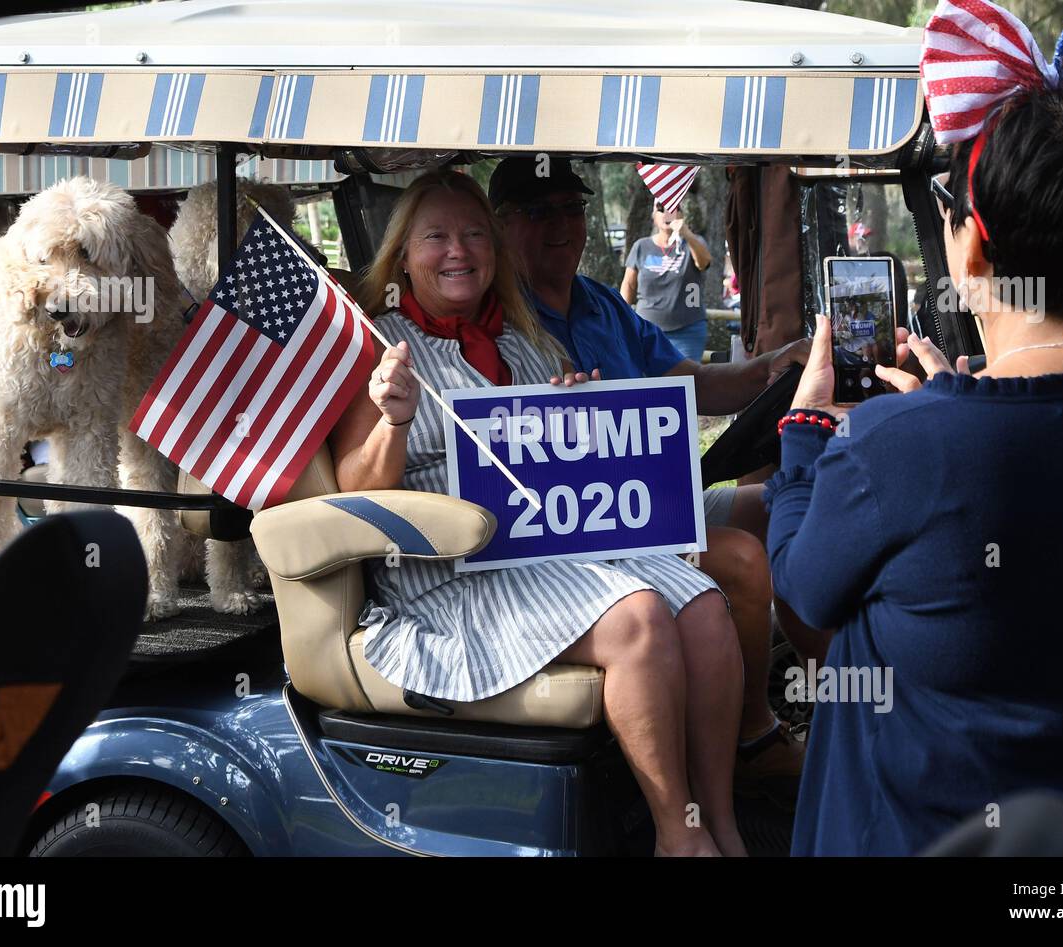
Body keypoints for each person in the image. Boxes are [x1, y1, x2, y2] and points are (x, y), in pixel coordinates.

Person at [766, 55, 1063, 855]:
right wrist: (955, 407)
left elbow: (805, 590)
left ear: (970, 253)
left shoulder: (898, 446)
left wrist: (807, 437)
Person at [329, 170, 747, 856]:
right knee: (639, 618)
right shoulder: (379, 345)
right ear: (404, 254)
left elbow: (569, 469)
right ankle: (679, 836)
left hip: (545, 549)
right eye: (436, 236)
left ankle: (721, 824)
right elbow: (357, 486)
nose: (457, 250)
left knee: (702, 608)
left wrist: (574, 413)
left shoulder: (522, 338)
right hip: (449, 573)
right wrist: (393, 421)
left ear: (494, 249)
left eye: (472, 235)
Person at [489, 155, 816, 801]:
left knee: (788, 510)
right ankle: (755, 739)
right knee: (746, 561)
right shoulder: (504, 324)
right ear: (502, 227)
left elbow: (682, 380)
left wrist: (769, 368)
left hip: (662, 502)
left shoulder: (602, 301)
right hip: (590, 534)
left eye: (571, 209)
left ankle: (850, 715)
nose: (562, 225)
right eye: (539, 212)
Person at [621, 202, 712, 362]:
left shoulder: (694, 242)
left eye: (672, 208)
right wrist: (621, 319)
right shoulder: (641, 246)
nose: (666, 213)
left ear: (681, 215)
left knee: (686, 383)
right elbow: (628, 285)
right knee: (649, 383)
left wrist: (686, 234)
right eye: (660, 209)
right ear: (653, 216)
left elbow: (704, 263)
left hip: (688, 331)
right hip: (647, 331)